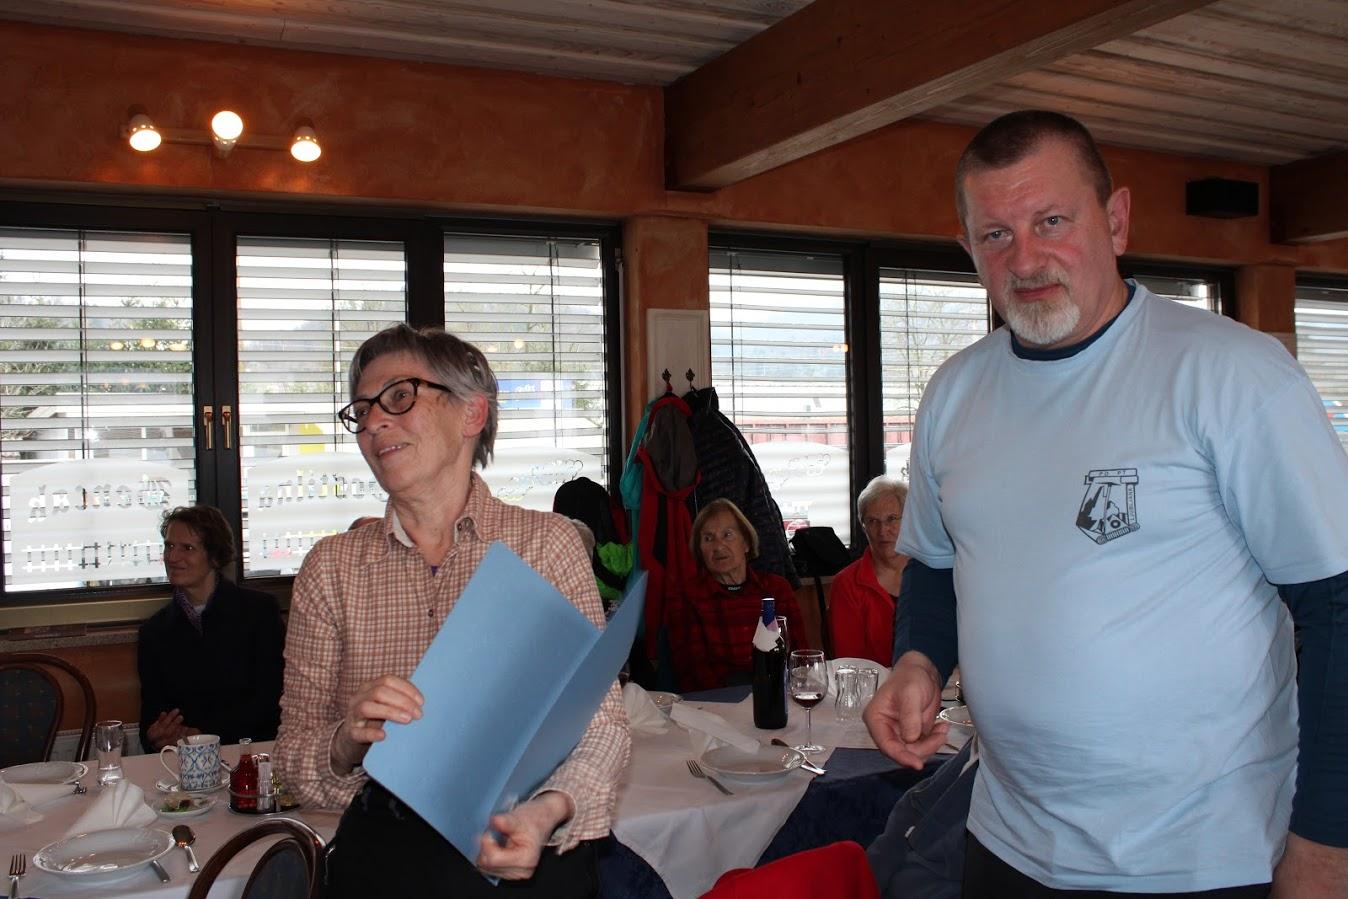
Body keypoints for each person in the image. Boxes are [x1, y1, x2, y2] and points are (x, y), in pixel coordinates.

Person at [863, 110, 1348, 897]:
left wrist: (1327, 846)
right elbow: (935, 564)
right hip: (1006, 844)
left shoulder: (1232, 374)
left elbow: (1338, 610)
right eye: (996, 235)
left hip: (1200, 860)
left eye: (1051, 221)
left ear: (1116, 220)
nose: (1025, 258)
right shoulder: (955, 393)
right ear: (968, 248)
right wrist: (919, 659)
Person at [274, 324, 627, 897]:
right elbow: (291, 760)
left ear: (471, 413)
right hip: (387, 860)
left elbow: (601, 725)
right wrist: (345, 740)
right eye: (361, 410)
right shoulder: (332, 568)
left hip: (527, 843)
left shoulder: (545, 546)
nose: (373, 422)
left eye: (398, 397)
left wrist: (545, 812)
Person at [138, 505, 284, 753]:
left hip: (251, 754)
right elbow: (151, 718)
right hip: (183, 761)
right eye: (169, 546)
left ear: (214, 557)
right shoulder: (154, 631)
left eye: (187, 548)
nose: (172, 557)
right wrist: (156, 736)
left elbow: (271, 700)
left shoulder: (259, 612)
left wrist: (205, 734)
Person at [664, 497, 808, 691]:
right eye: (708, 538)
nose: (718, 546)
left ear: (746, 543)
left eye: (727, 535)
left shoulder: (776, 589)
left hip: (777, 694)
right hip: (717, 701)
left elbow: (799, 657)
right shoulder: (686, 596)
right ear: (700, 550)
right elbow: (695, 672)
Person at [828, 476, 909, 664]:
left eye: (892, 519)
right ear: (863, 526)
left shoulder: (930, 574)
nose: (882, 531)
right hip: (872, 681)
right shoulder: (847, 584)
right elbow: (849, 662)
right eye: (872, 521)